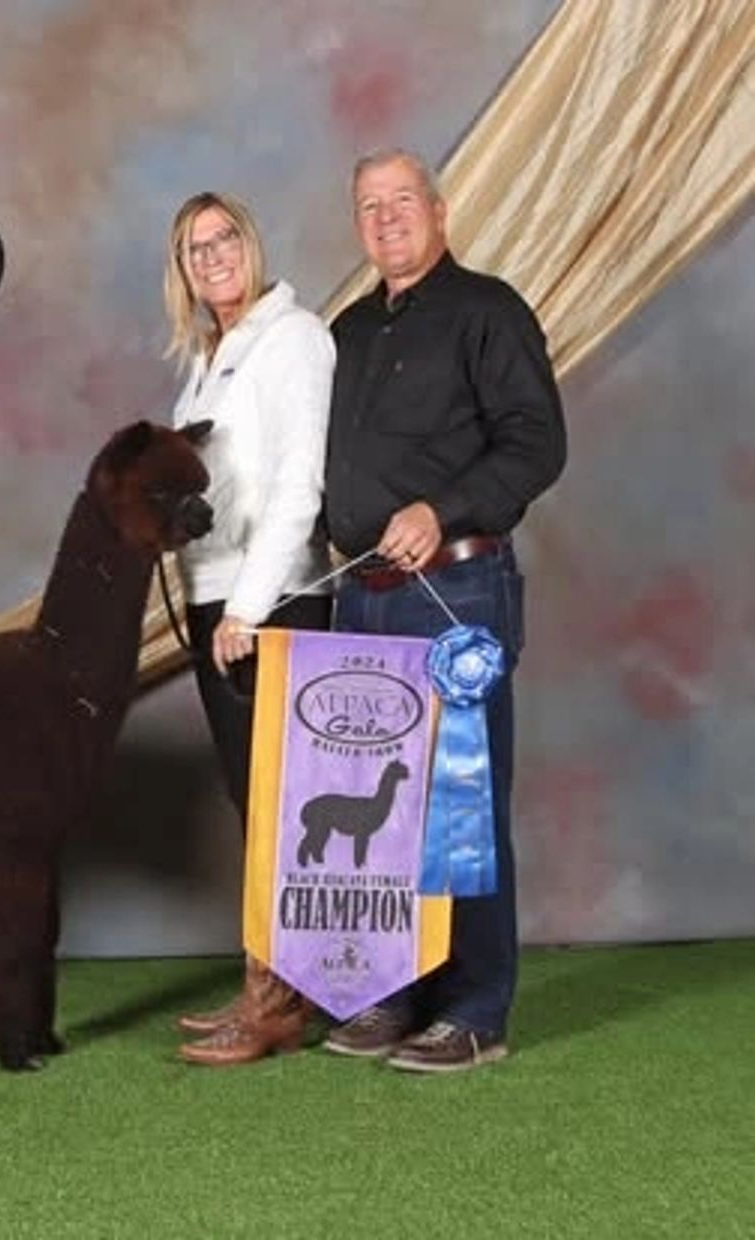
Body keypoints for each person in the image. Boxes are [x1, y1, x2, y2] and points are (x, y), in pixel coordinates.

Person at [322, 149, 566, 1072]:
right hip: (360, 594)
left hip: (456, 591)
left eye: (401, 202)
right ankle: (392, 991)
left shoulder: (490, 312)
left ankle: (474, 1009)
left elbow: (537, 443)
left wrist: (441, 509)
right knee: (374, 811)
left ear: (440, 210)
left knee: (457, 801)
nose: (386, 219)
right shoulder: (347, 332)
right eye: (368, 206)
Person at [163, 192, 336, 1066]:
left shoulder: (293, 337)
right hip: (213, 596)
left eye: (225, 237)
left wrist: (249, 607)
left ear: (251, 243)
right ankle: (265, 983)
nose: (213, 256)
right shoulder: (207, 358)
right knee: (254, 800)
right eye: (196, 248)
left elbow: (299, 483)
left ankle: (276, 1006)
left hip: (264, 604)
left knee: (277, 802)